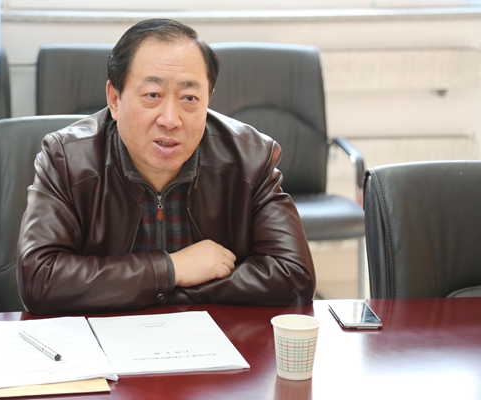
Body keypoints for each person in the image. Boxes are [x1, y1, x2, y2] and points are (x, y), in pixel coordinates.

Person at [17, 18, 316, 314]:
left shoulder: (250, 157)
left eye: (189, 98)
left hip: (209, 339)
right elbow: (39, 279)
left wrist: (161, 291)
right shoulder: (66, 158)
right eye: (152, 95)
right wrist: (172, 269)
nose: (171, 119)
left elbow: (294, 276)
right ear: (115, 99)